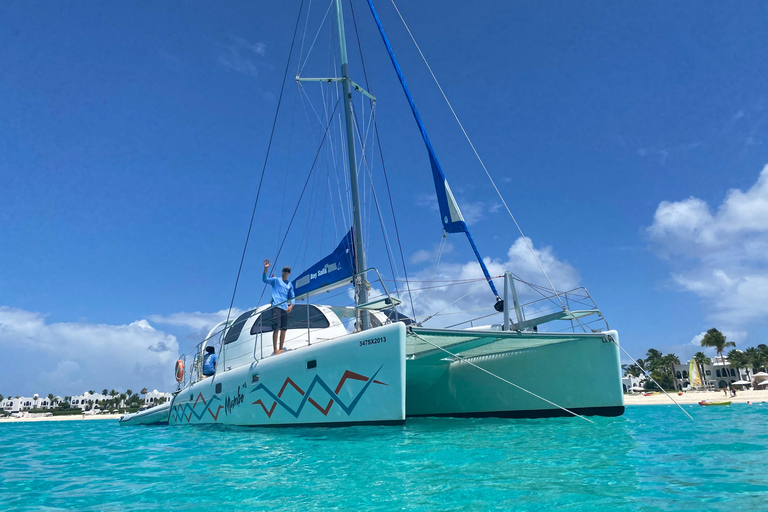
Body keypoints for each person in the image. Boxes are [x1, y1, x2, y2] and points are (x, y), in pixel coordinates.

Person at [263, 259, 295, 354]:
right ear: (282, 271)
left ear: (289, 274)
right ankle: (275, 349)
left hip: (285, 308)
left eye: (288, 271)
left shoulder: (290, 285)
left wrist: (291, 306)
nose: (286, 272)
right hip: (276, 306)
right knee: (276, 328)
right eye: (285, 270)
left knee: (284, 329)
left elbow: (292, 296)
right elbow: (265, 280)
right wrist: (265, 269)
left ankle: (281, 348)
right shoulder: (276, 280)